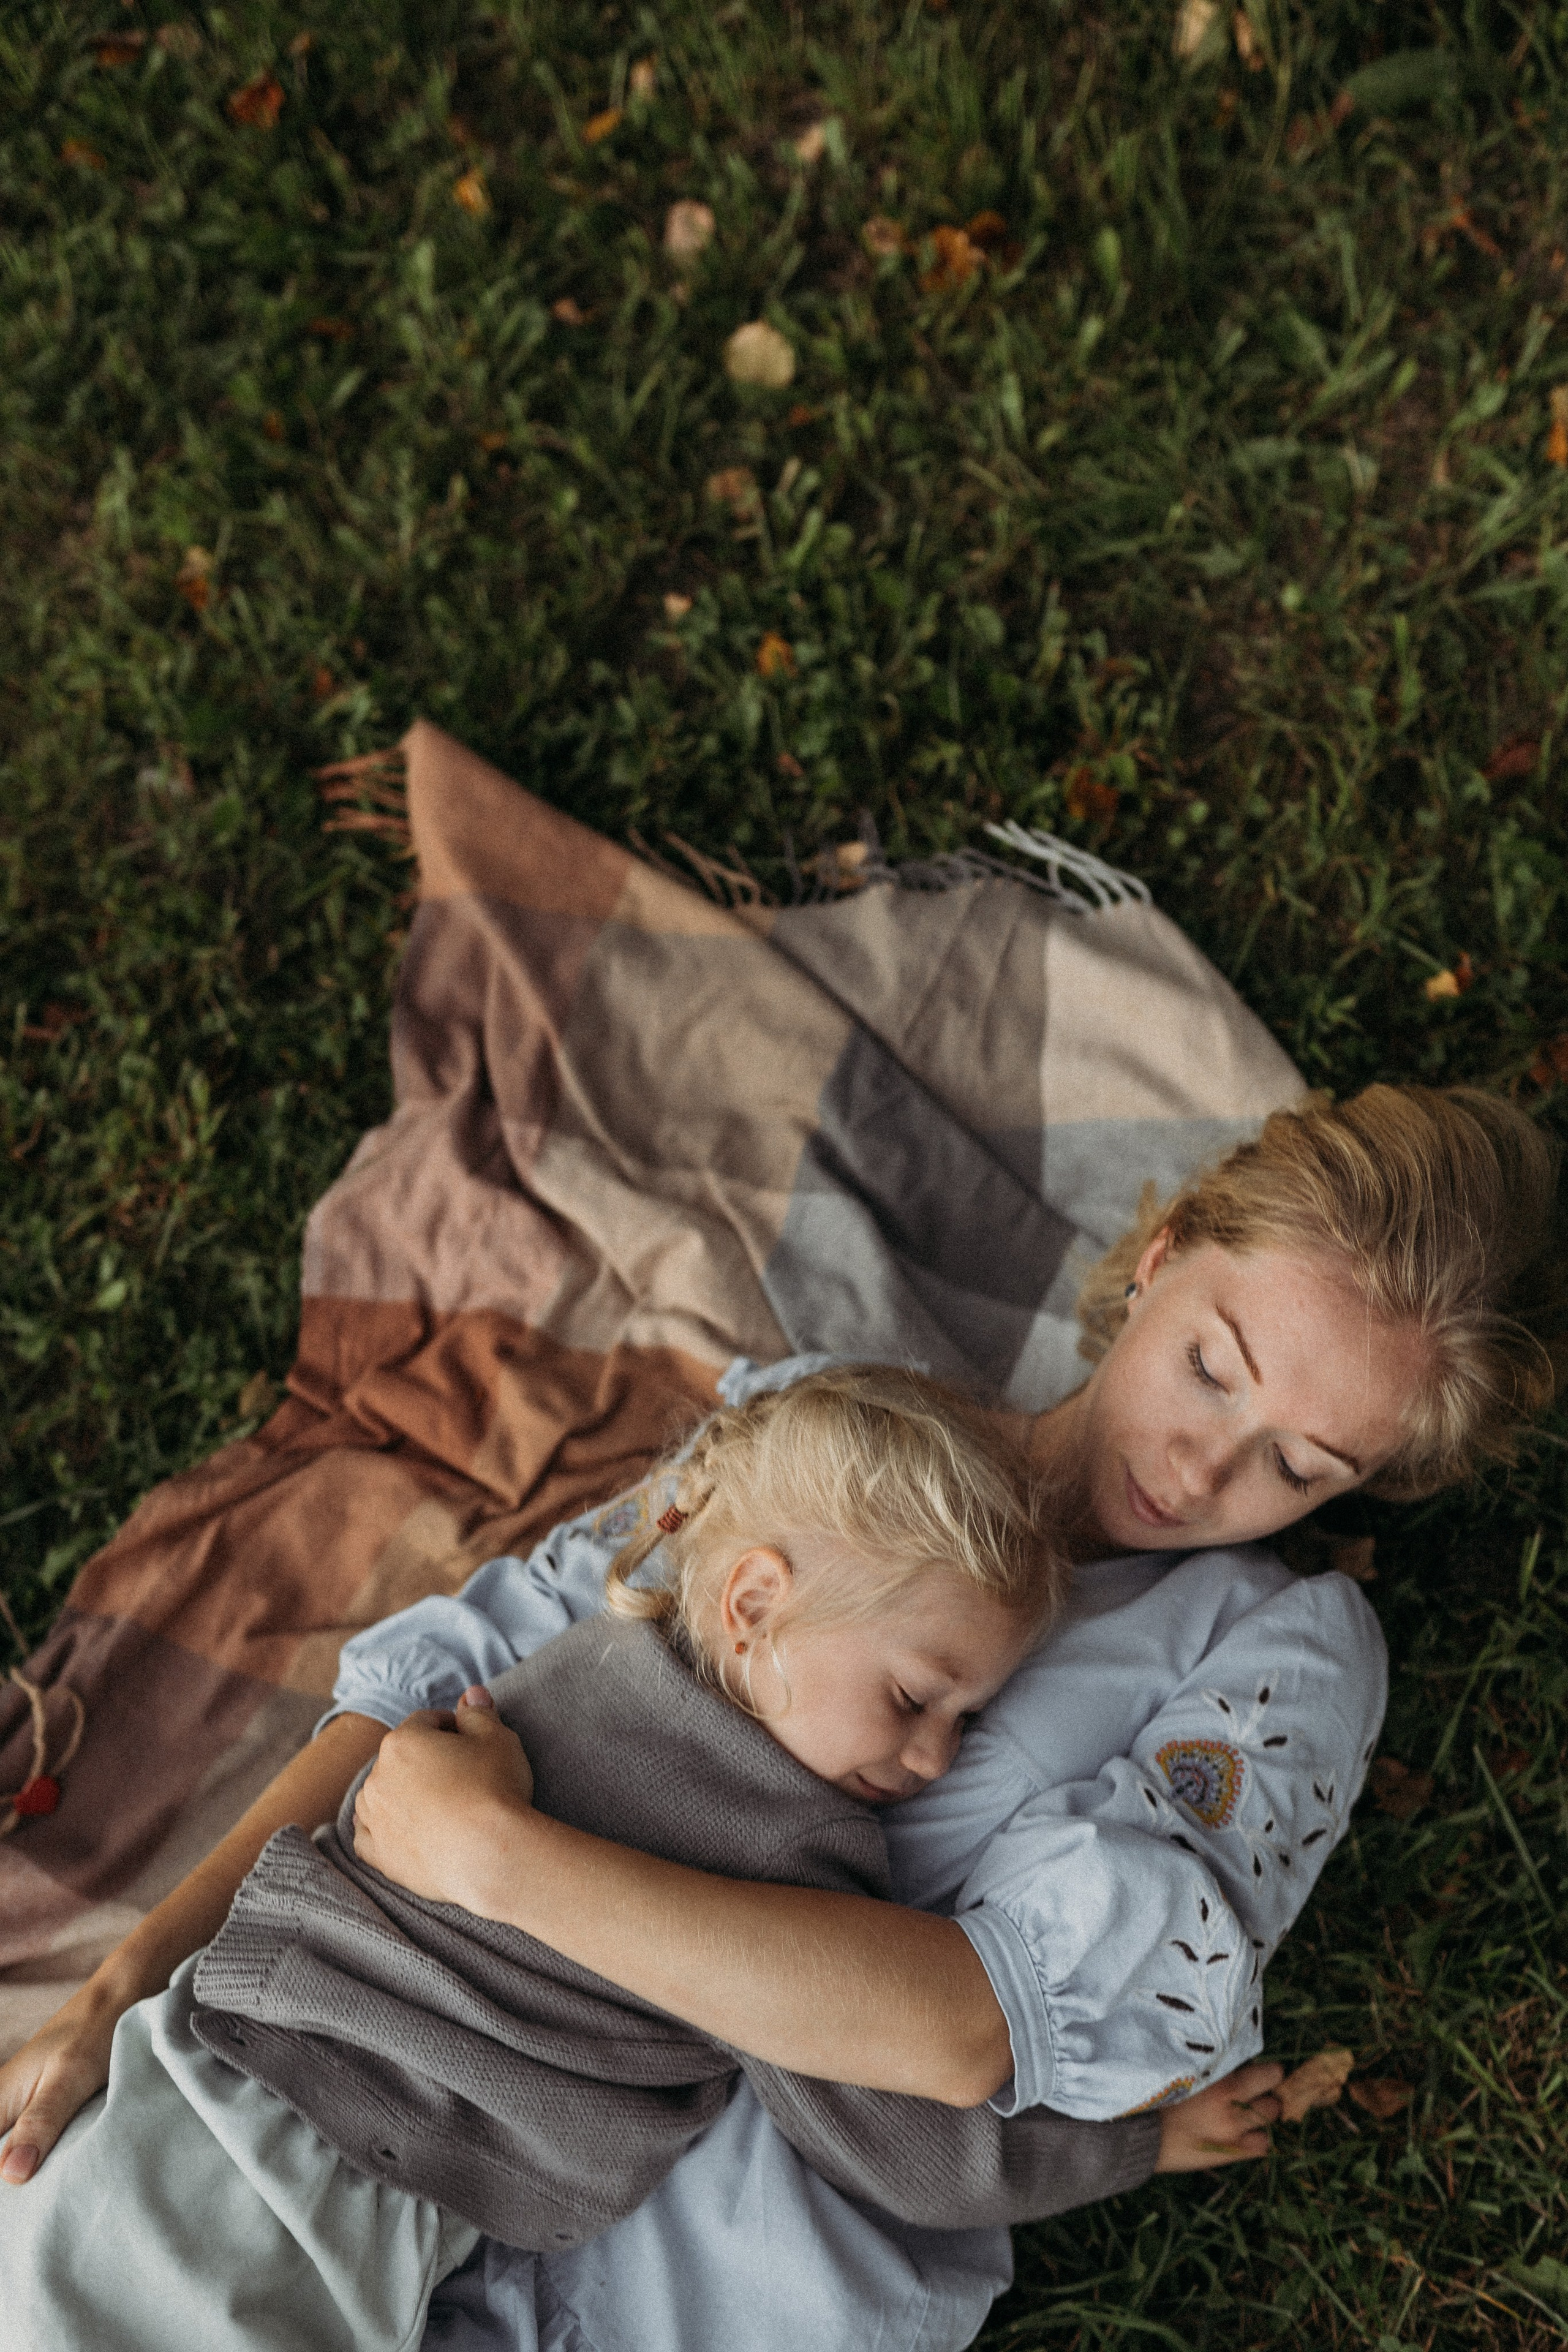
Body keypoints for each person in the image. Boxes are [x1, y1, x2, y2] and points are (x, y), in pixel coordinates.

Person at [2, 1085, 1558, 2352]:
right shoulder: (833, 1422)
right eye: (1212, 1367)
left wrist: (495, 1859)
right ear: (1158, 1257)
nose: (1207, 1471)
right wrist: (132, 1978)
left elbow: (967, 2026)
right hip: (375, 2104)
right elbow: (442, 1687)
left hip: (713, 2296)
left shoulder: (1282, 1647)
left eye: (1303, 1466)